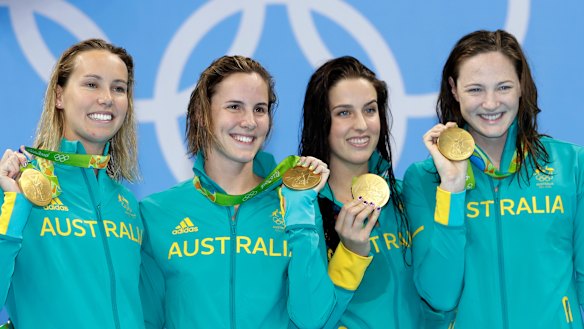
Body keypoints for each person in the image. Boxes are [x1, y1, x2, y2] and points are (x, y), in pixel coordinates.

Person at [139, 55, 336, 329]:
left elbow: (313, 318)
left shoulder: (293, 203)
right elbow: (147, 319)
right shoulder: (157, 212)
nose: (249, 122)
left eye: (260, 109)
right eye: (234, 106)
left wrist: (300, 215)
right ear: (202, 113)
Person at [403, 29, 584, 328]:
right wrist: (452, 189)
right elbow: (440, 296)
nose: (490, 103)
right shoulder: (424, 180)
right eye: (475, 89)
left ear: (520, 87)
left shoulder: (572, 166)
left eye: (503, 87)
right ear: (454, 89)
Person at [0, 39, 143, 328]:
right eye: (92, 84)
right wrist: (13, 207)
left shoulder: (126, 203)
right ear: (59, 96)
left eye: (119, 88)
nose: (107, 98)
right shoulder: (17, 186)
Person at [299, 56, 428, 328]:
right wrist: (350, 253)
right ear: (321, 121)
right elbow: (310, 320)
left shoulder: (405, 198)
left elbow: (439, 300)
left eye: (369, 110)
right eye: (344, 113)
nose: (361, 124)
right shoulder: (303, 213)